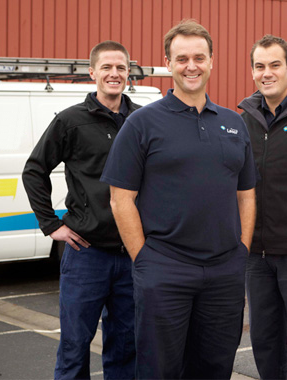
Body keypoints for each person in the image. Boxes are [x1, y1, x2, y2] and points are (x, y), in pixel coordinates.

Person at [101, 19, 257, 380]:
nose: (191, 66)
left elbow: (246, 194)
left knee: (216, 367)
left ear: (212, 61)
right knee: (159, 369)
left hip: (224, 272)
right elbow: (120, 199)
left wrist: (241, 251)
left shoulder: (234, 125)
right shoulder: (141, 123)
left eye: (199, 57)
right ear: (168, 63)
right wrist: (145, 260)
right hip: (165, 270)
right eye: (182, 58)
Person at [22, 40, 140, 380]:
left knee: (126, 347)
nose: (114, 74)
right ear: (92, 73)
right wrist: (50, 224)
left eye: (120, 67)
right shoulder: (71, 121)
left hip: (132, 254)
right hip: (86, 255)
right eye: (106, 67)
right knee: (74, 347)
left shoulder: (141, 120)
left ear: (128, 72)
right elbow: (34, 170)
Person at [238, 34, 287, 380]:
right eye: (260, 66)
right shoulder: (241, 121)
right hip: (256, 255)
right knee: (265, 339)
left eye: (275, 65)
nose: (266, 73)